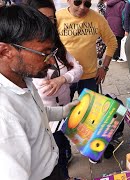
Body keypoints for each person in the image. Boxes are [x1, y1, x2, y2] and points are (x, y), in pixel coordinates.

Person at [0, 5, 79, 179]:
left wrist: (63, 112)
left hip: (53, 165)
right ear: (6, 51)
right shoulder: (4, 116)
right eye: (43, 53)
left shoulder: (22, 79)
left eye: (51, 52)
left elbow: (34, 113)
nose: (51, 62)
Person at [27, 0, 83, 179]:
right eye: (42, 18)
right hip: (47, 123)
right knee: (56, 154)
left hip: (61, 110)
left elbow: (77, 68)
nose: (47, 24)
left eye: (51, 19)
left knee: (63, 147)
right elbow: (39, 93)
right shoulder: (26, 58)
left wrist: (62, 79)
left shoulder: (57, 48)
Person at [56, 0, 117, 99]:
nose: (82, 7)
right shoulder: (58, 16)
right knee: (62, 112)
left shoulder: (97, 18)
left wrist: (104, 68)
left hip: (89, 77)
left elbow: (112, 42)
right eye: (77, 2)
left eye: (87, 4)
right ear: (68, 1)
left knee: (89, 112)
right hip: (65, 76)